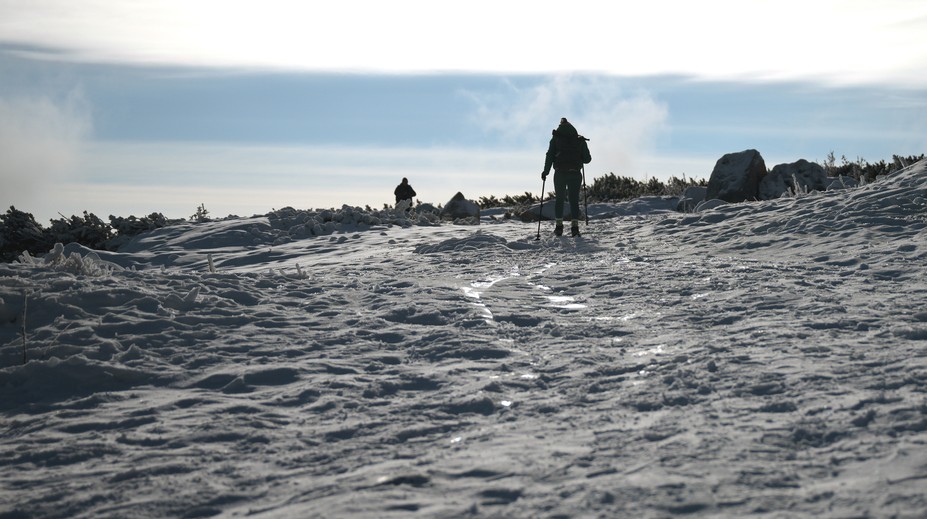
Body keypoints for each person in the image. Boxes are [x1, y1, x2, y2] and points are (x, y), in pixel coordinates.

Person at [542, 117, 583, 237]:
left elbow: (549, 155)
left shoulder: (555, 139)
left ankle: (559, 227)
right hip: (575, 174)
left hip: (560, 174)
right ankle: (575, 228)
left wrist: (545, 172)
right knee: (573, 200)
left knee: (559, 199)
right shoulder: (579, 140)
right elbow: (587, 159)